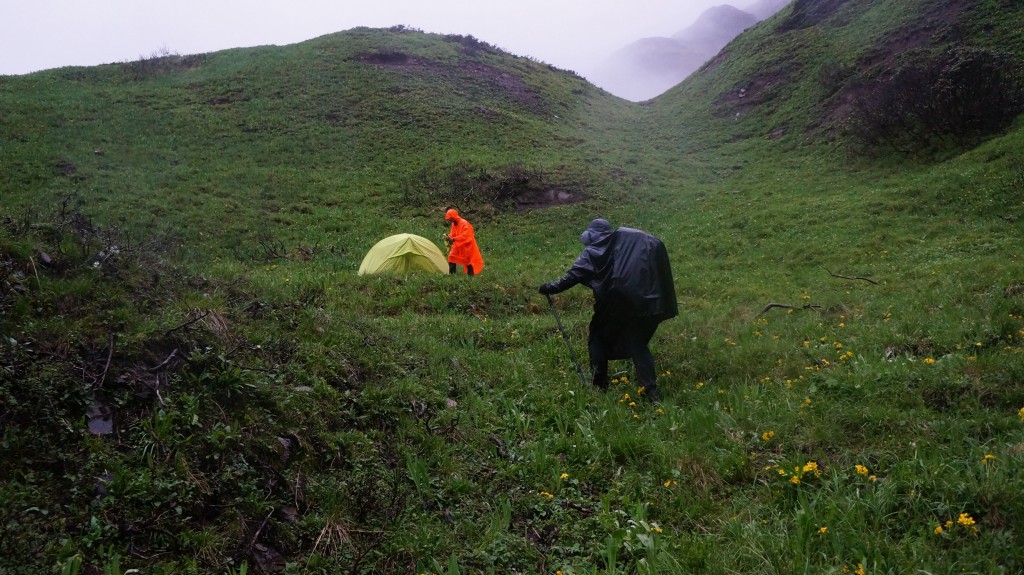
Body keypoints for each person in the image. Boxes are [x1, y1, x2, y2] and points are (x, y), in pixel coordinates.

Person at [539, 218, 677, 401]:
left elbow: (572, 276)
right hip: (641, 304)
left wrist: (549, 287)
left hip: (614, 306)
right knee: (637, 344)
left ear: (591, 235)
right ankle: (651, 392)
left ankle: (599, 385)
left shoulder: (592, 252)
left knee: (597, 339)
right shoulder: (626, 245)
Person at [444, 208, 484, 276]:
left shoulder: (464, 223)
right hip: (458, 244)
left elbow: (465, 236)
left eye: (450, 218)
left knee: (468, 261)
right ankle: (452, 275)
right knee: (451, 257)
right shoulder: (454, 224)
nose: (450, 220)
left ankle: (470, 276)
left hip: (467, 245)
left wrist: (453, 239)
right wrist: (448, 236)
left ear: (454, 217)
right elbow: (453, 234)